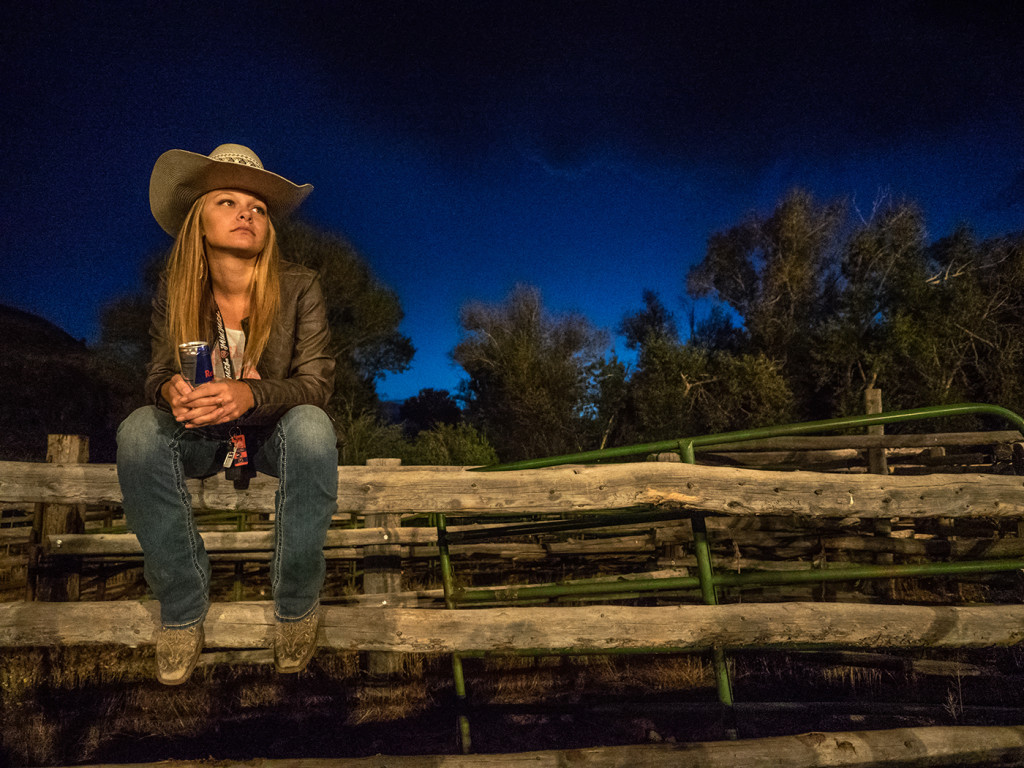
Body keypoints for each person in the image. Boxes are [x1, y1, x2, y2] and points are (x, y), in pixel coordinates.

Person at [117, 143, 339, 685]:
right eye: (228, 201)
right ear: (199, 219)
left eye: (258, 208)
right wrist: (167, 389)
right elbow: (155, 373)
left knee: (314, 427)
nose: (247, 213)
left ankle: (296, 603)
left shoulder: (300, 286)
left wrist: (250, 395)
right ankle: (182, 606)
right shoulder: (176, 291)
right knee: (139, 431)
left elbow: (317, 384)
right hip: (201, 434)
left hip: (268, 436)